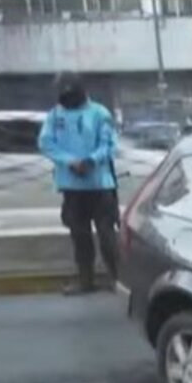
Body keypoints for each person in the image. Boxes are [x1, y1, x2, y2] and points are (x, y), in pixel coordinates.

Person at [38, 73, 119, 295]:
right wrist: (69, 162)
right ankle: (86, 280)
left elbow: (110, 145)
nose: (67, 99)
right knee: (79, 235)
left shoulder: (100, 114)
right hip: (72, 188)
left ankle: (118, 279)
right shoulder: (55, 116)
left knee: (107, 235)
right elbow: (45, 143)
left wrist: (91, 161)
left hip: (100, 186)